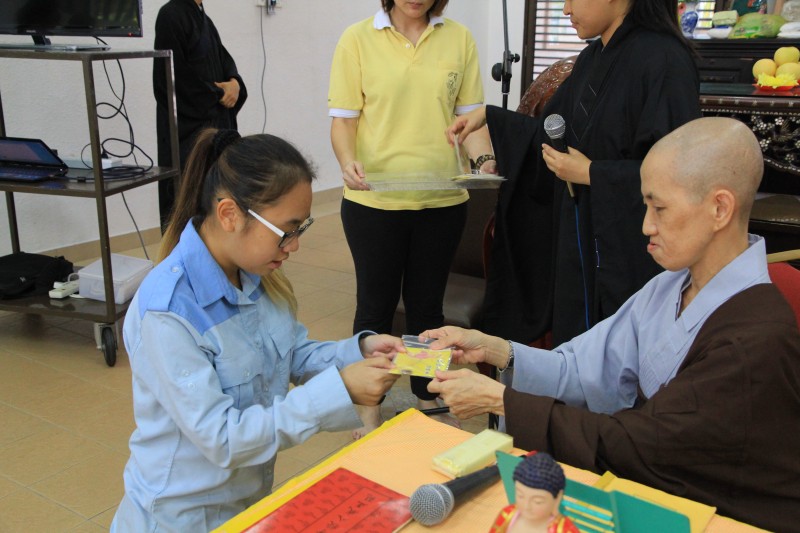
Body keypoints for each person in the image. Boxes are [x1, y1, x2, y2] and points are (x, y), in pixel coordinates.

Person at [423, 118, 800, 531]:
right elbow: (583, 369)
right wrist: (498, 350)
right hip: (654, 488)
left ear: (720, 208)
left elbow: (647, 444)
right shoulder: (668, 286)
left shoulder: (757, 338)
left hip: (725, 517)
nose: (646, 226)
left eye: (659, 208)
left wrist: (502, 402)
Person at [110, 129, 402, 532]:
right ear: (230, 215)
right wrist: (339, 390)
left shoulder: (254, 274)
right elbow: (222, 439)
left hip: (245, 503)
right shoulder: (168, 312)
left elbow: (292, 354)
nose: (294, 246)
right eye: (287, 230)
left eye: (302, 228)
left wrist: (361, 351)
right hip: (181, 519)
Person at [446, 0, 701, 347]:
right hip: (578, 241)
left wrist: (594, 173)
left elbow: (679, 168)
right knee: (575, 349)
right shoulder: (592, 58)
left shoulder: (665, 60)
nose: (565, 9)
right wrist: (491, 118)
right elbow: (550, 134)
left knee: (620, 353)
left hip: (628, 252)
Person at [328, 0, 495, 438]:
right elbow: (343, 122)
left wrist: (484, 160)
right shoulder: (357, 39)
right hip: (373, 203)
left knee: (427, 307)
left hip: (442, 201)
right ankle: (369, 404)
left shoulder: (458, 38)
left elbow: (471, 121)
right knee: (375, 307)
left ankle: (426, 394)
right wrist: (347, 161)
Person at [154, 0, 248, 231]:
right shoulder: (170, 15)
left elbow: (225, 62)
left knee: (217, 200)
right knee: (189, 204)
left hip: (216, 129)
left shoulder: (205, 21)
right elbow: (172, 79)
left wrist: (235, 83)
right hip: (189, 135)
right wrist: (218, 94)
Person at [490, 453, 579, 533]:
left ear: (557, 498)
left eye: (537, 501)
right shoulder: (507, 515)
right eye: (520, 496)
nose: (526, 506)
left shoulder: (565, 530)